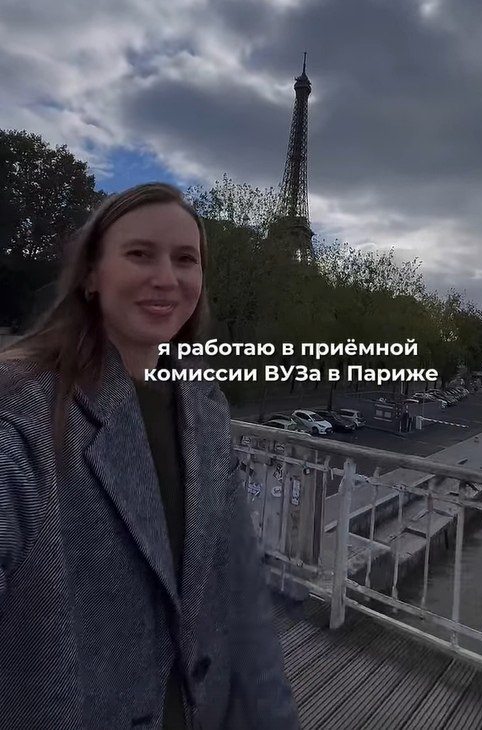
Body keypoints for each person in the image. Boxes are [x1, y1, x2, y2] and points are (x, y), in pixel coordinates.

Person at [0, 183, 299, 729]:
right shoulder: (19, 409)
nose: (167, 278)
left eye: (186, 259)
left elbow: (235, 589)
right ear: (92, 275)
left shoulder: (204, 405)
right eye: (140, 254)